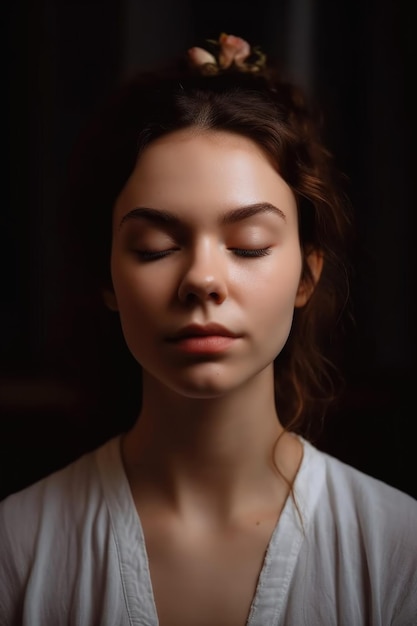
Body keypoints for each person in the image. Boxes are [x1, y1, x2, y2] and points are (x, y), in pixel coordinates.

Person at [1, 32, 416, 626]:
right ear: (107, 279)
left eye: (247, 246)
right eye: (154, 247)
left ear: (307, 274)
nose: (202, 279)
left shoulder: (399, 551)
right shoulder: (18, 550)